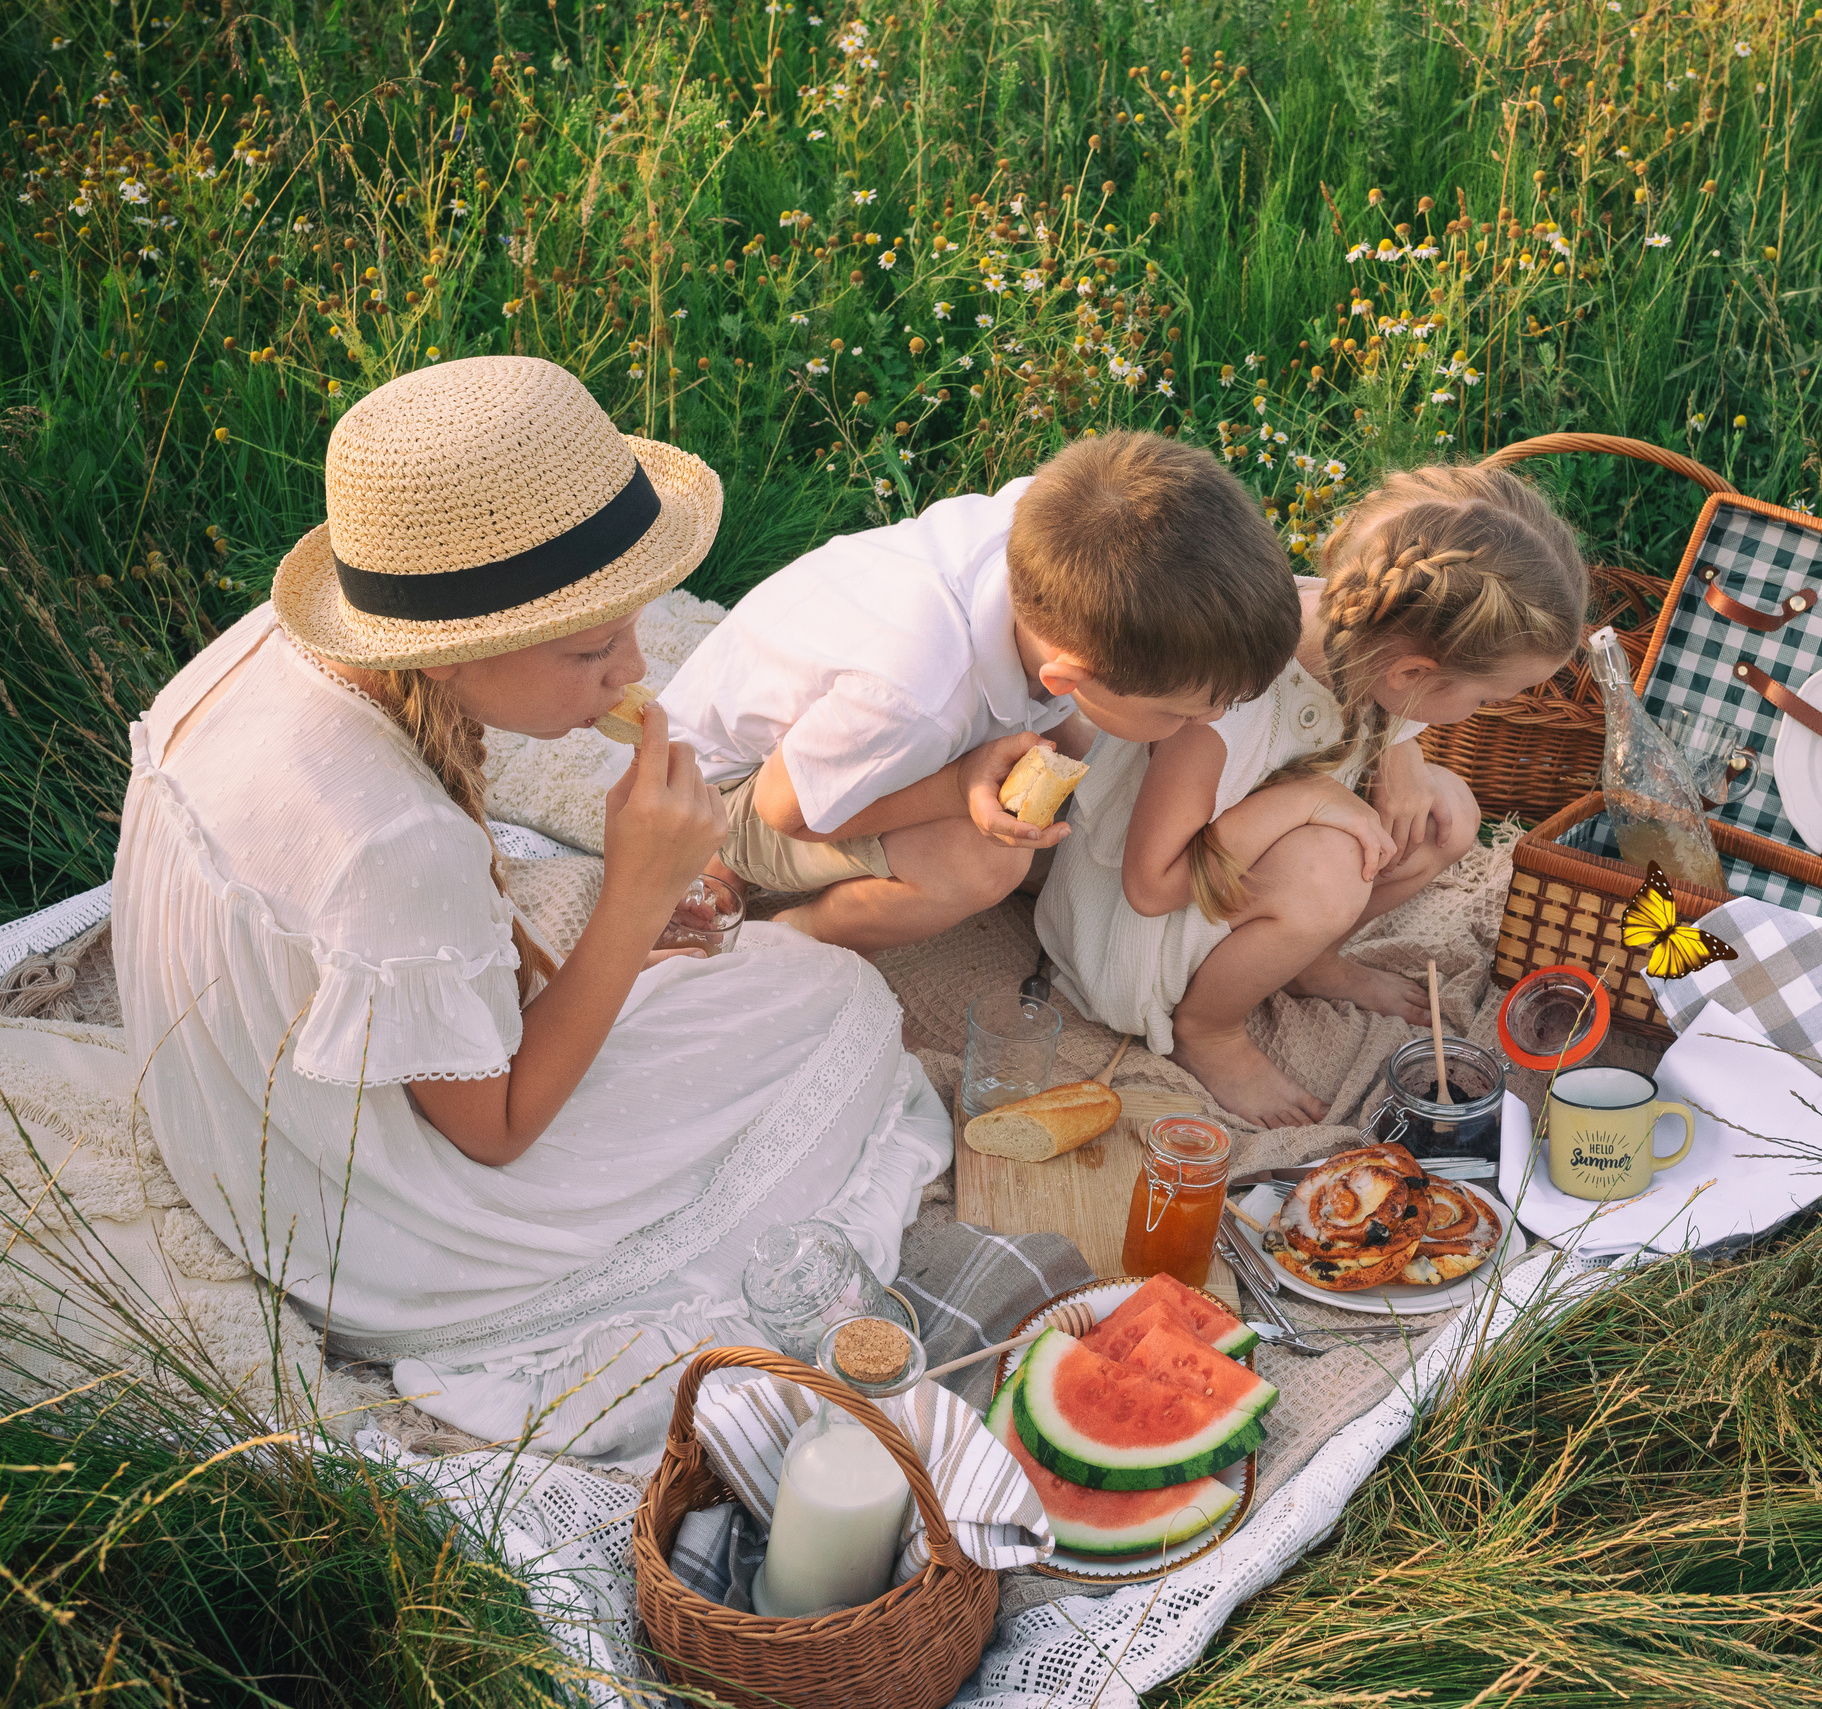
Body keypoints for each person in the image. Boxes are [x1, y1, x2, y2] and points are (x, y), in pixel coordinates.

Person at [112, 356, 952, 1460]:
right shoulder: (396, 844)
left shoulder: (276, 648)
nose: (632, 668)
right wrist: (629, 900)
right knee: (836, 1002)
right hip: (372, 1228)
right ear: (452, 656)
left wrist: (614, 939)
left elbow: (402, 935)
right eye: (591, 648)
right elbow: (496, 1131)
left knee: (769, 982)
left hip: (222, 1115)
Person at [1035, 463, 1590, 1128]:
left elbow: (1386, 705)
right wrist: (1305, 798)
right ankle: (1208, 1027)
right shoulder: (1223, 699)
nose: (1483, 712)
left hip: (1236, 878)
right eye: (1487, 699)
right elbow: (1151, 887)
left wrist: (1402, 753)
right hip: (1141, 938)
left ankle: (1309, 959)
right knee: (1330, 871)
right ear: (1414, 672)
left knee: (1448, 814)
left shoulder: (1368, 624)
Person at [657, 430, 1302, 951]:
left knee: (1070, 767)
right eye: (1180, 713)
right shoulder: (915, 700)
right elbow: (788, 811)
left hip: (835, 724)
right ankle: (796, 937)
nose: (1210, 719)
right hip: (717, 794)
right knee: (986, 860)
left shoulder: (1050, 524)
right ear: (1065, 679)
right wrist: (957, 786)